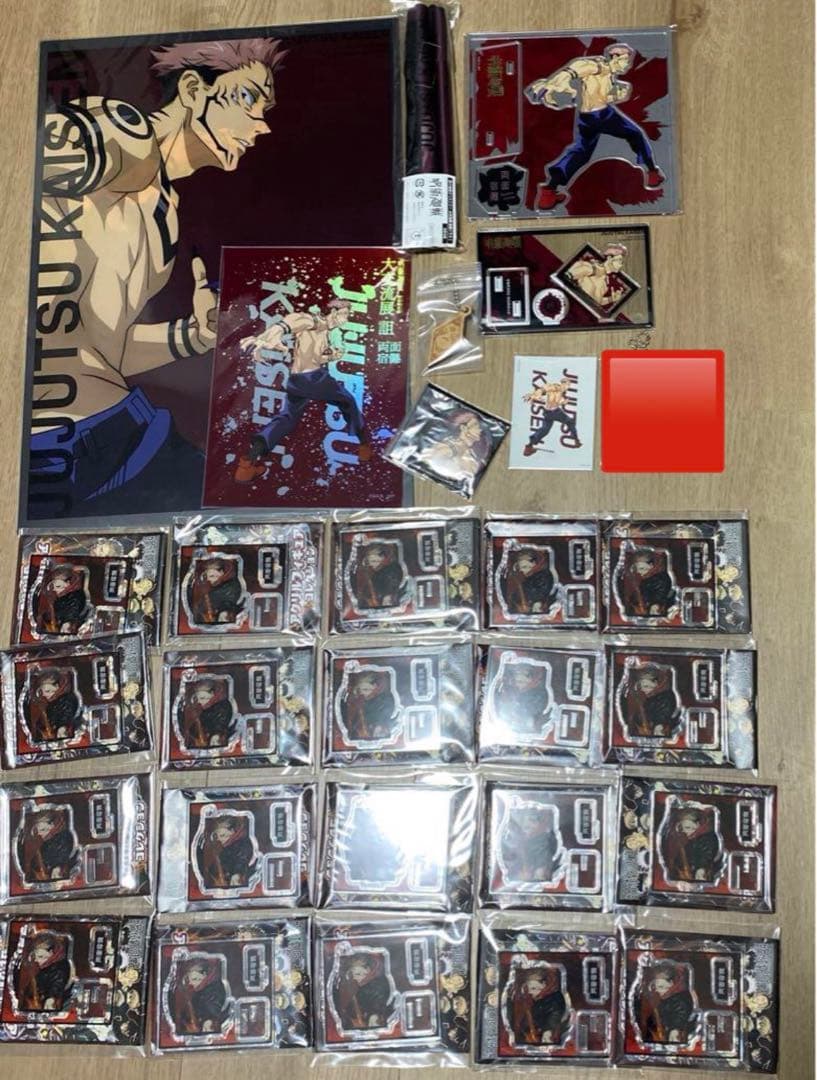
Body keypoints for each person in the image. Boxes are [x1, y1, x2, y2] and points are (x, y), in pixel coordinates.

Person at [31, 38, 285, 513]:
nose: (261, 123)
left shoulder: (163, 212)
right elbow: (37, 157)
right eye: (248, 98)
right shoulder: (127, 135)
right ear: (192, 89)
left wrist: (192, 336)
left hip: (84, 443)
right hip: (82, 440)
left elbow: (104, 349)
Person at [234, 300, 371, 482]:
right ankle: (364, 444)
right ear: (333, 312)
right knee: (347, 400)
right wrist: (274, 332)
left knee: (287, 418)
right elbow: (292, 321)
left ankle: (247, 465)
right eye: (344, 313)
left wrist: (331, 356)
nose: (346, 318)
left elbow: (314, 357)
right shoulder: (312, 321)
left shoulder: (324, 332)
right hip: (314, 379)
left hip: (297, 382)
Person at [525, 42, 665, 210]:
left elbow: (602, 94)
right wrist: (554, 83)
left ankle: (549, 192)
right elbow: (574, 68)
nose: (628, 65)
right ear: (614, 57)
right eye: (626, 60)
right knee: (634, 134)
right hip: (600, 116)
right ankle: (652, 173)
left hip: (590, 117)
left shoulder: (610, 73)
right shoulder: (597, 66)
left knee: (581, 152)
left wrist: (618, 93)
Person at [415, 409, 491, 484]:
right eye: (475, 425)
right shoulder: (445, 448)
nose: (480, 430)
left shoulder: (472, 454)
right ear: (463, 428)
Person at [500, 806, 563, 884]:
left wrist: (536, 873)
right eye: (522, 820)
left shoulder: (543, 844)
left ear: (545, 824)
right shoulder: (517, 842)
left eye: (533, 820)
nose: (526, 825)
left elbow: (541, 873)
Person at [636, 962, 695, 1044]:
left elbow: (681, 1014)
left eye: (661, 987)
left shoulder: (680, 1000)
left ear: (671, 983)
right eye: (656, 987)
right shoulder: (665, 1000)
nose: (658, 990)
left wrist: (675, 1029)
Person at [170, 957, 231, 1035]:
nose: (192, 984)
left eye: (196, 979)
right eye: (190, 980)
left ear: (205, 975)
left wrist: (208, 1021)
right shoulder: (197, 992)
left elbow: (214, 1011)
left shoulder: (212, 993)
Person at [509, 966, 569, 1046]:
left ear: (544, 984)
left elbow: (555, 1014)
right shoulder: (529, 999)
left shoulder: (555, 998)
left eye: (534, 988)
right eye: (529, 989)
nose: (530, 992)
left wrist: (548, 1031)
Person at [661, 806, 723, 883]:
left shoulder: (707, 838)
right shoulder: (685, 841)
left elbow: (706, 853)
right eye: (683, 828)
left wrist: (701, 869)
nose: (686, 832)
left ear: (697, 824)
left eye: (688, 828)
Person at [492, 660, 552, 739]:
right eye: (517, 675)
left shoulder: (538, 696)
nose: (521, 679)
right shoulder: (504, 693)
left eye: (526, 675)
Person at [15, 932, 74, 1012]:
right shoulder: (44, 970)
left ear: (51, 953)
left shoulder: (59, 969)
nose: (36, 960)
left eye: (41, 956)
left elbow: (57, 984)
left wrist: (51, 998)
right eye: (35, 957)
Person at [334, 953, 394, 1031]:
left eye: (361, 974)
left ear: (368, 971)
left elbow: (379, 1004)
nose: (358, 978)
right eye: (355, 974)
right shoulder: (350, 987)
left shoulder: (375, 986)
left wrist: (374, 1015)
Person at [18, 808, 79, 884]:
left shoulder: (62, 840)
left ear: (52, 825)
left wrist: (58, 868)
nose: (40, 834)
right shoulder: (41, 845)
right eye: (38, 831)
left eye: (43, 829)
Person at [521, 378, 580, 456]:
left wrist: (563, 402)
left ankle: (529, 446)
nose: (568, 387)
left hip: (548, 413)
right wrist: (534, 395)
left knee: (545, 429)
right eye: (568, 385)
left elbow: (554, 399)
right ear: (564, 384)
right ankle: (576, 441)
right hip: (555, 412)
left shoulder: (560, 391)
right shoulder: (557, 387)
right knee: (570, 422)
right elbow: (544, 389)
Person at [621, 664, 681, 739]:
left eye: (647, 686)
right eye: (642, 687)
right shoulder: (649, 700)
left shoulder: (665, 699)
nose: (643, 690)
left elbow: (664, 719)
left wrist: (659, 727)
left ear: (656, 683)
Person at [564, 244, 630, 313]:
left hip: (581, 312)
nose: (619, 263)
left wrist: (610, 299)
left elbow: (598, 302)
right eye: (615, 254)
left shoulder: (604, 285)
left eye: (620, 259)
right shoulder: (586, 266)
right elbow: (565, 277)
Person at [197, 814, 257, 889]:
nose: (220, 840)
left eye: (223, 835)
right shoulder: (226, 848)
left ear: (232, 831)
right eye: (218, 837)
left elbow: (242, 859)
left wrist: (237, 874)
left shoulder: (243, 844)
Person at [25, 667, 83, 743]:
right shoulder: (45, 705)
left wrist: (62, 728)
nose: (45, 695)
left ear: (57, 686)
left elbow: (67, 716)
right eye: (42, 692)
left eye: (48, 691)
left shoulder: (67, 700)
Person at [340, 670, 399, 744]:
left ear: (375, 686)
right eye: (360, 690)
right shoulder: (359, 701)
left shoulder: (384, 700)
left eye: (366, 689)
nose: (362, 693)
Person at [179, 678, 237, 750]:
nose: (200, 702)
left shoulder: (223, 708)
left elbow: (220, 727)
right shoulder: (202, 711)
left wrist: (216, 736)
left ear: (212, 694)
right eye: (198, 699)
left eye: (203, 698)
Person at [500, 547, 558, 616]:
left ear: (534, 563)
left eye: (525, 567)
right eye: (521, 568)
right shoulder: (526, 579)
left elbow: (538, 597)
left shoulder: (543, 577)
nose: (523, 571)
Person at [619, 548, 676, 617]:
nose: (639, 572)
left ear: (651, 565)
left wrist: (655, 605)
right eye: (636, 569)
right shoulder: (643, 579)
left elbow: (660, 596)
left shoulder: (659, 580)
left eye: (642, 568)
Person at [34, 565, 90, 635]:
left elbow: (63, 624)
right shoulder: (58, 601)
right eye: (53, 587)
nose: (54, 590)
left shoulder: (75, 600)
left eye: (58, 586)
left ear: (68, 583)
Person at [189, 557, 245, 625]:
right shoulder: (210, 588)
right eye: (207, 576)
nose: (209, 579)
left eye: (212, 576)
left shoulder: (231, 588)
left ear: (222, 572)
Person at [352, 543, 406, 610]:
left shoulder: (389, 571)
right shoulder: (371, 573)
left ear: (383, 558)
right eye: (369, 562)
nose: (372, 565)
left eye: (375, 561)